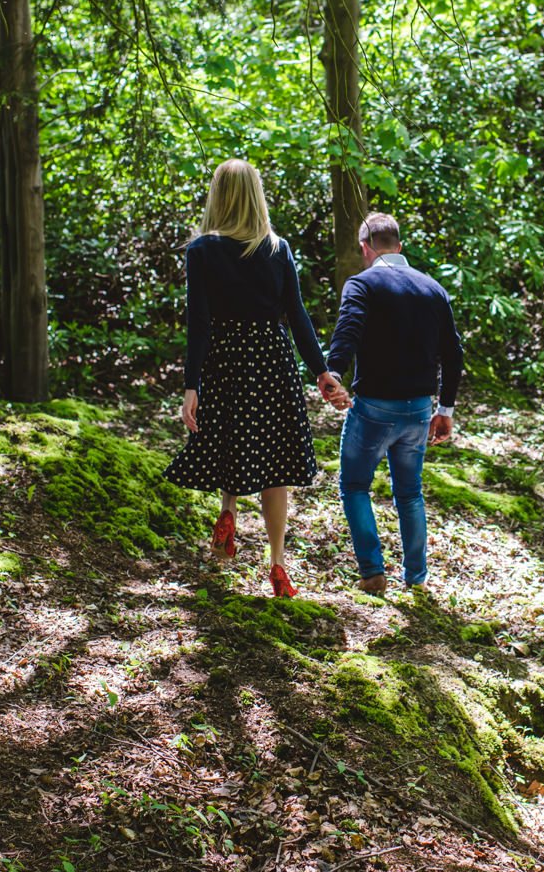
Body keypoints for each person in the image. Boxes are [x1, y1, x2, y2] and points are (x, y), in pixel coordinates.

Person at [163, 159, 348, 598]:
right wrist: (322, 371)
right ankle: (278, 564)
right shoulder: (277, 248)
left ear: (218, 196)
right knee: (274, 461)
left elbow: (199, 324)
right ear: (256, 194)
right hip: (272, 358)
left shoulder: (202, 250)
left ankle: (227, 513)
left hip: (225, 358)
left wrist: (192, 385)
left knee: (230, 438)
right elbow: (297, 316)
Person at [324, 212, 464, 594]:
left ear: (365, 248)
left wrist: (334, 373)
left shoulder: (362, 284)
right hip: (419, 409)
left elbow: (347, 330)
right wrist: (445, 410)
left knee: (354, 486)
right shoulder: (433, 288)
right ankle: (415, 578)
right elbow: (453, 353)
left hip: (374, 407)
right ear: (399, 247)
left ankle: (372, 572)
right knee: (409, 492)